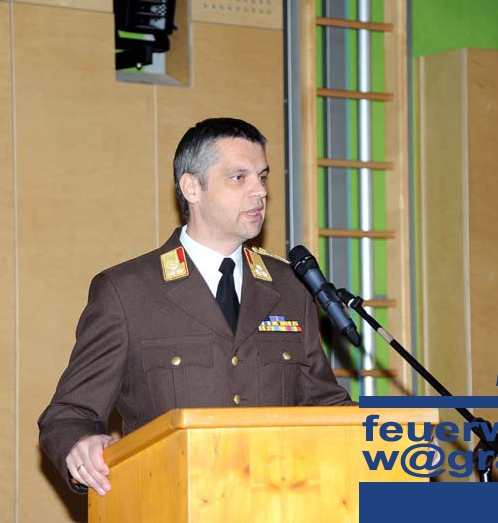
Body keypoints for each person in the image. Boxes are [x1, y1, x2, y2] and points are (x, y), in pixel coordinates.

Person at [38, 117, 353, 496]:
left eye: (262, 177)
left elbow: (324, 404)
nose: (259, 192)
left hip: (278, 503)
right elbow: (68, 415)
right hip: (171, 501)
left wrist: (388, 440)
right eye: (239, 177)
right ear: (191, 187)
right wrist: (80, 444)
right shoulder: (128, 292)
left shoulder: (289, 287)